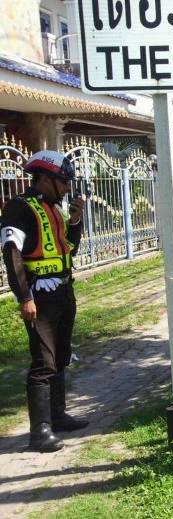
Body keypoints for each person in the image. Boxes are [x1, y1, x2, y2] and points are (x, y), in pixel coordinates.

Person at [0, 150, 87, 452]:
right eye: (63, 181)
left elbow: (69, 249)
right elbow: (11, 254)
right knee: (43, 363)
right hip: (41, 295)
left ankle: (58, 416)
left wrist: (75, 221)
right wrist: (24, 297)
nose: (67, 187)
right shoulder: (18, 208)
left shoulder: (57, 208)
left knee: (61, 356)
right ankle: (39, 433)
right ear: (45, 178)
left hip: (64, 289)